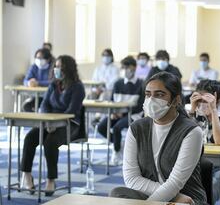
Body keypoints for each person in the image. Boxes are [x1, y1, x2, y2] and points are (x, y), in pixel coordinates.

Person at [108, 72, 208, 205]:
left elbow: (175, 182)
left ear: (176, 100)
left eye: (159, 94)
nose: (152, 99)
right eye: (148, 94)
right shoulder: (136, 128)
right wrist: (164, 202)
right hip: (174, 198)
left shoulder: (191, 131)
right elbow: (131, 178)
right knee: (117, 194)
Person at [20, 55, 86, 195]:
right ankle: (26, 175)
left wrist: (56, 123)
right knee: (30, 138)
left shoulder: (77, 87)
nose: (57, 69)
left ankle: (51, 180)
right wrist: (48, 121)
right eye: (56, 66)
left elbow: (72, 111)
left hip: (69, 124)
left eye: (60, 67)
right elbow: (44, 105)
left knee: (50, 143)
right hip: (49, 122)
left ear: (68, 69)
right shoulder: (53, 84)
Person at [189, 79, 220, 202]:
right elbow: (186, 137)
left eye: (206, 100)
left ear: (219, 100)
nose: (202, 103)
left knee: (211, 186)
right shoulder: (195, 111)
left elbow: (219, 140)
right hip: (198, 165)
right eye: (199, 100)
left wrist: (213, 111)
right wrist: (192, 109)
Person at [97, 56, 144, 165]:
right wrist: (113, 112)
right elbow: (113, 101)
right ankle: (118, 143)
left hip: (134, 114)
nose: (126, 70)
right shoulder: (118, 83)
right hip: (118, 113)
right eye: (124, 67)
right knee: (101, 127)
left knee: (117, 127)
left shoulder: (141, 84)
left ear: (134, 68)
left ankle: (116, 151)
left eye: (128, 67)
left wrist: (122, 112)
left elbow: (140, 105)